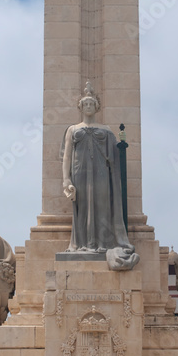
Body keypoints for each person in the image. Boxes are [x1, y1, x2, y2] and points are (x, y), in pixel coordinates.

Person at [61, 82, 135, 266]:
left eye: (91, 104)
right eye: (85, 104)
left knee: (103, 206)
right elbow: (66, 157)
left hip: (101, 173)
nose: (88, 107)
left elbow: (115, 157)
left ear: (96, 107)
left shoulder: (107, 130)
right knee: (82, 207)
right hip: (79, 173)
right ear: (80, 106)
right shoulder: (72, 129)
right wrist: (66, 179)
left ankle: (103, 243)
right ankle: (81, 245)